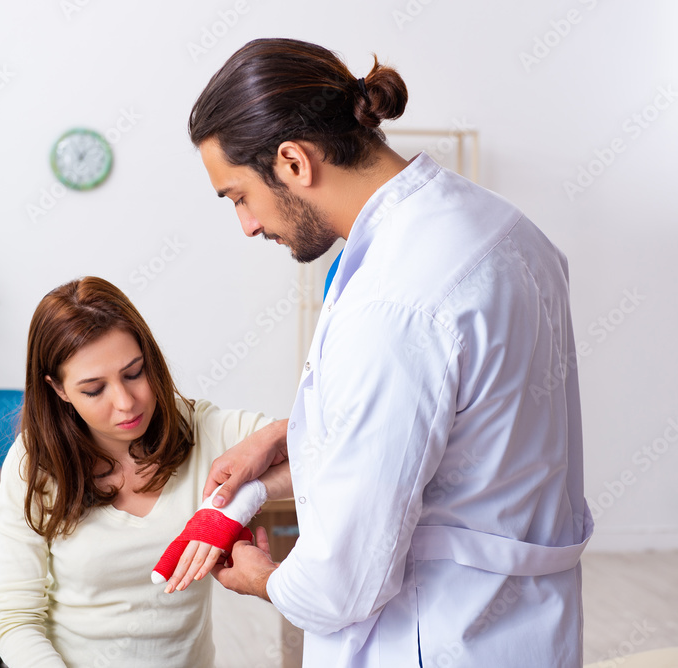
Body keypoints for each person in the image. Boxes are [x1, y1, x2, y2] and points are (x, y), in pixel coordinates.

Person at [187, 38, 593, 667]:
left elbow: (341, 583)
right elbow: (464, 442)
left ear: (293, 161)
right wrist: (292, 436)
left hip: (431, 637)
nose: (246, 225)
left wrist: (263, 577)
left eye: (239, 196)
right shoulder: (504, 229)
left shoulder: (392, 305)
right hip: (526, 627)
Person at [0, 276, 289, 668]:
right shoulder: (34, 464)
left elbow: (332, 454)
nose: (126, 402)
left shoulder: (201, 429)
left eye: (134, 373)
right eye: (94, 390)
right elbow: (16, 620)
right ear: (58, 389)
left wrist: (236, 503)